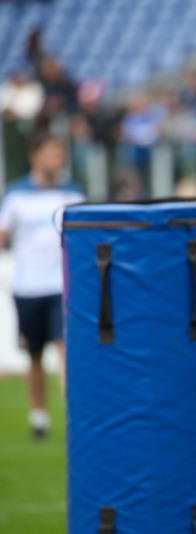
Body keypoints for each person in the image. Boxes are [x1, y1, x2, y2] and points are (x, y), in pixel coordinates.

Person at [0, 132, 85, 440]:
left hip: (63, 286)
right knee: (33, 353)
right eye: (52, 152)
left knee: (65, 348)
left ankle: (74, 417)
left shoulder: (73, 194)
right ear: (35, 155)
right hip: (27, 286)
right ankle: (39, 417)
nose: (58, 158)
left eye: (61, 152)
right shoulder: (15, 195)